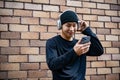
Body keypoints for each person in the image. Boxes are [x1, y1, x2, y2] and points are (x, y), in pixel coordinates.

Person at [46, 10, 104, 80]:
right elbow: (52, 65)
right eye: (68, 25)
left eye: (74, 25)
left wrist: (87, 30)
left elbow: (99, 51)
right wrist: (74, 52)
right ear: (61, 25)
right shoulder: (52, 42)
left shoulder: (80, 44)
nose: (71, 29)